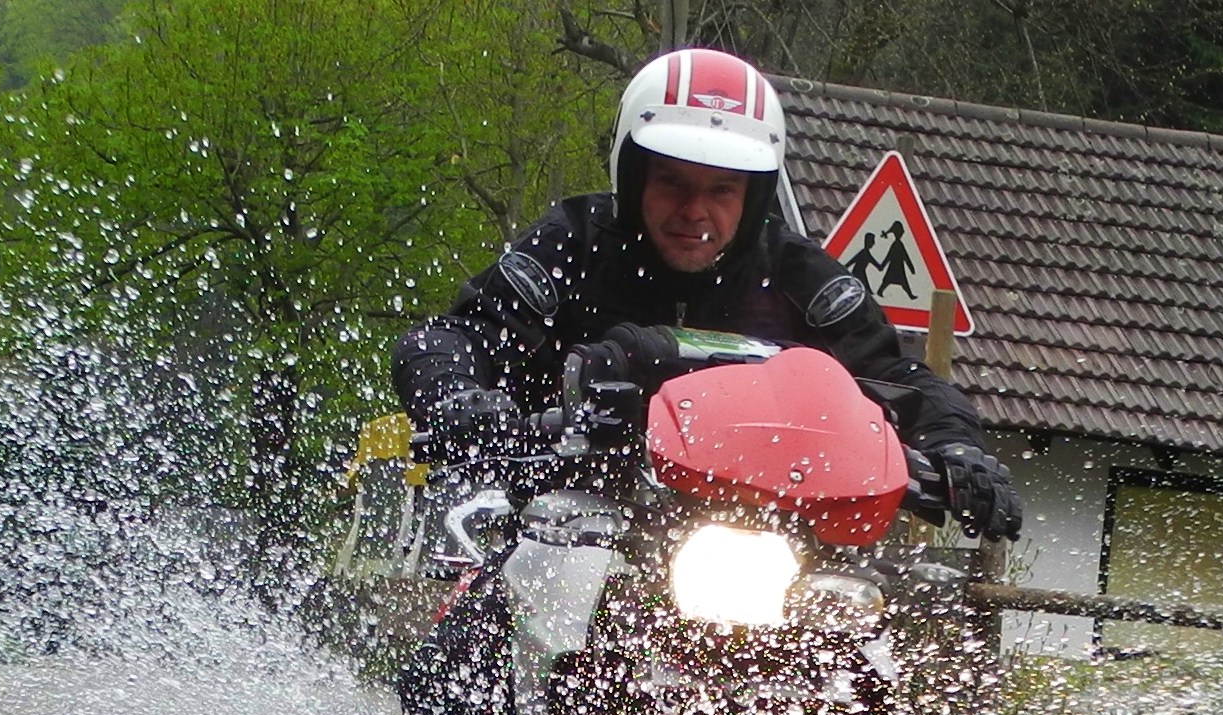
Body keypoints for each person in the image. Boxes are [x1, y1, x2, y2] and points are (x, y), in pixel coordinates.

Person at [391, 46, 1021, 542]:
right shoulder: (573, 244)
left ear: (754, 196)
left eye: (722, 189)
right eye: (673, 182)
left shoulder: (798, 276)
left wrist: (956, 449)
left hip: (761, 535)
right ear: (633, 175)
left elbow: (897, 377)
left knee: (866, 636)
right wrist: (459, 399)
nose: (695, 210)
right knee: (478, 630)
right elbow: (458, 335)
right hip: (565, 516)